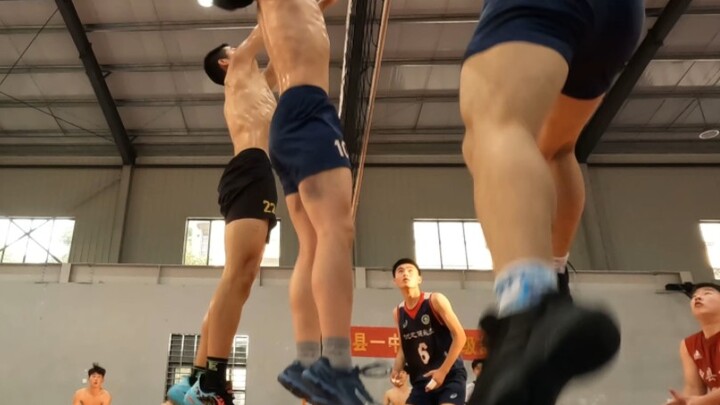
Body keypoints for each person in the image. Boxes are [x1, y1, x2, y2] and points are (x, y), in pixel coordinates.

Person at [459, 0, 645, 404]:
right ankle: (555, 282)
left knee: (497, 124)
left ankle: (528, 308)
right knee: (555, 148)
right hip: (620, 16)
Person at [210, 0, 375, 403]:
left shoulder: (276, 21)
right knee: (337, 229)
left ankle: (307, 359)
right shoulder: (242, 68)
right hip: (305, 110)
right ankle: (335, 364)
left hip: (287, 122)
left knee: (314, 243)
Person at [165, 19, 279, 405]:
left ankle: (194, 379)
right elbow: (271, 24)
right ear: (226, 64)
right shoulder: (239, 71)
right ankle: (212, 382)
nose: (241, 50)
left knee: (240, 278)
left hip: (256, 170)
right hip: (250, 168)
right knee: (239, 274)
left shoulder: (257, 85)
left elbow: (290, 35)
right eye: (234, 49)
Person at [390, 258, 467, 405]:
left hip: (449, 375)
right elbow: (403, 348)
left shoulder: (435, 300)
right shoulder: (398, 312)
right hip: (421, 381)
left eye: (410, 270)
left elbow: (460, 336)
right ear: (395, 281)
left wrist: (442, 371)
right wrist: (396, 370)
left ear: (419, 278)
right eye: (400, 271)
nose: (405, 273)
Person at [667, 283, 720, 405]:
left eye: (707, 293)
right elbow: (694, 388)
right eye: (695, 296)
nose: (698, 298)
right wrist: (683, 402)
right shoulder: (688, 344)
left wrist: (700, 402)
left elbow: (698, 400)